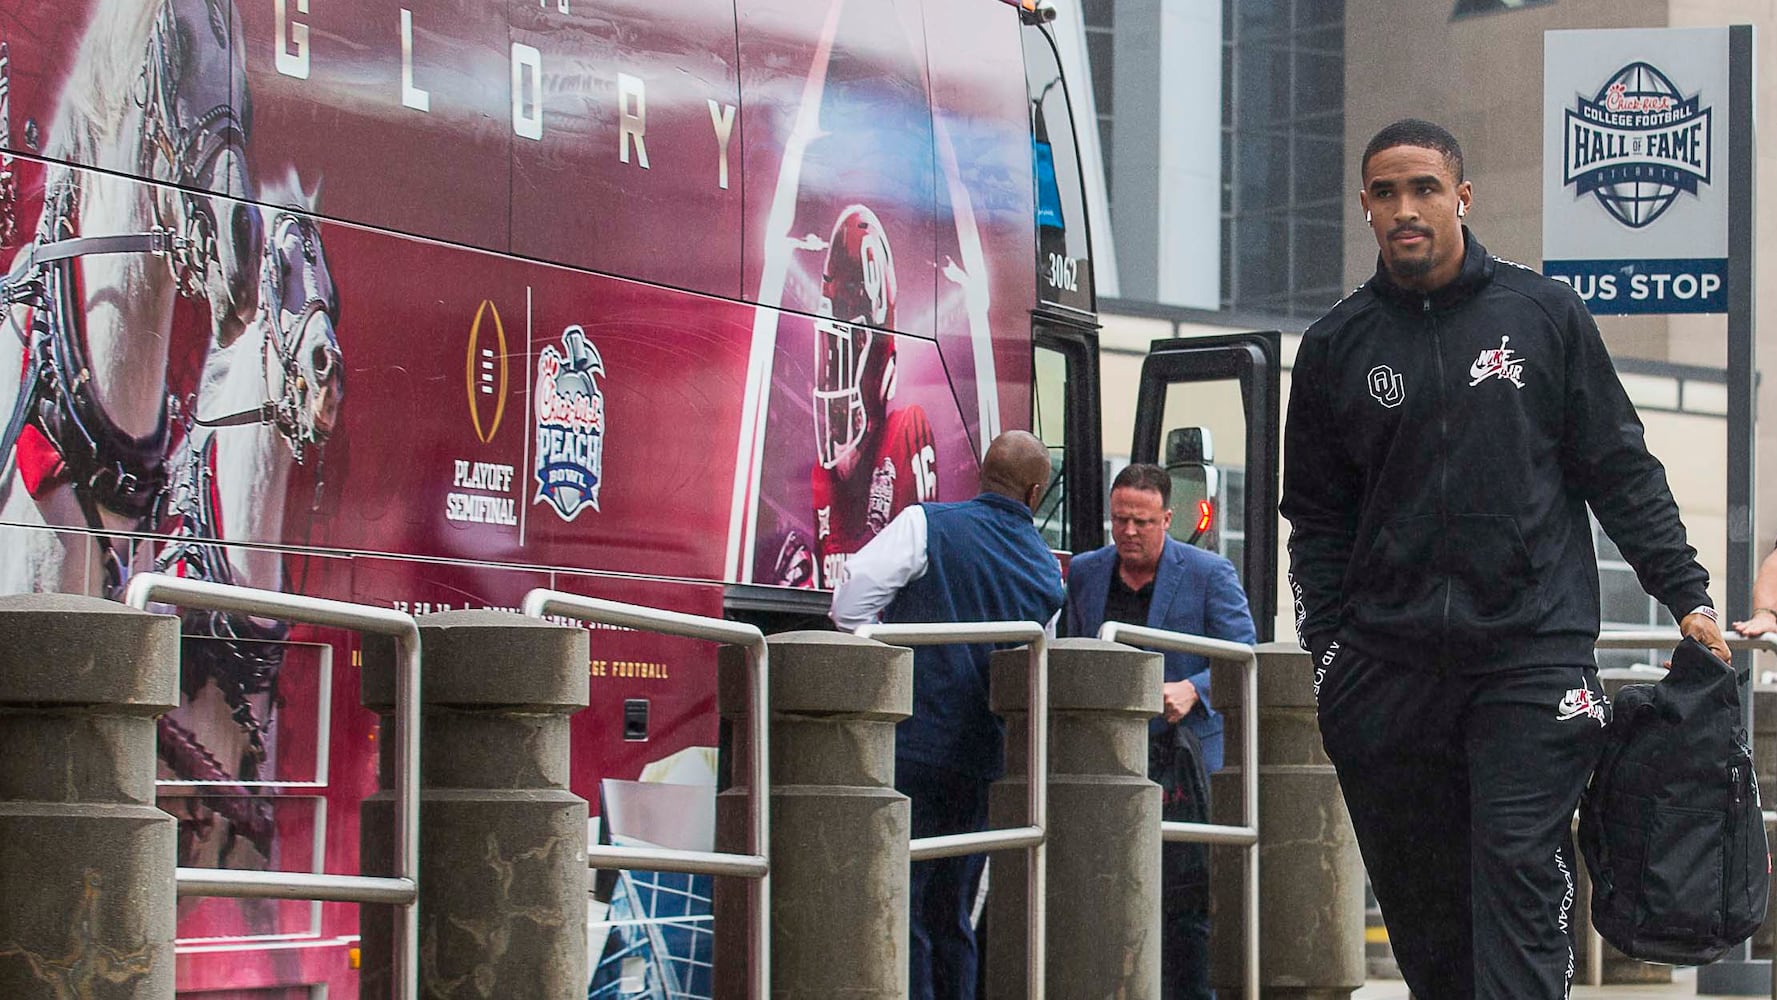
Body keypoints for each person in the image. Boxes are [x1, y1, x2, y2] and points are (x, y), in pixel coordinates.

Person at [1281, 118, 1729, 999]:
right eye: (1385, 193)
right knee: (1423, 901)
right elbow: (1316, 520)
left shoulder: (1543, 314)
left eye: (1424, 189)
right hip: (1385, 666)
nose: (1406, 209)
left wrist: (1685, 593)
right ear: (1365, 208)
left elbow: (1619, 468)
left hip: (1530, 654)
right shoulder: (1335, 346)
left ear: (1461, 197)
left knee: (1518, 868)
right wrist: (1330, 651)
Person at [830, 429, 1065, 1000]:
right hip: (983, 757)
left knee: (901, 893)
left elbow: (848, 605)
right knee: (954, 905)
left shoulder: (926, 524)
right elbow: (1037, 671)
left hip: (912, 743)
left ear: (982, 473)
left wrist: (894, 640)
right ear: (1035, 493)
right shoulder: (1048, 576)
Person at [1065, 463, 1255, 1000]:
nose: (1128, 532)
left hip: (1185, 763)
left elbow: (1244, 655)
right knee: (1106, 890)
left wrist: (1193, 689)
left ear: (1167, 519)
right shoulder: (1086, 571)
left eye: (1142, 522)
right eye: (1120, 519)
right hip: (1107, 760)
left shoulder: (1209, 573)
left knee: (1185, 901)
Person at [776, 203, 938, 590]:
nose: (834, 372)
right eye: (830, 349)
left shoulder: (905, 432)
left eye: (848, 349)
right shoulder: (823, 473)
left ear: (884, 367)